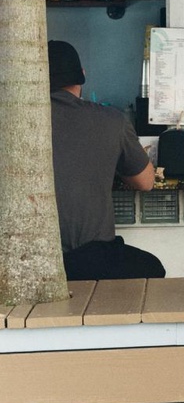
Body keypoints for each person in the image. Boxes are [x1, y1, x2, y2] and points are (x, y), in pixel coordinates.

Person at [48, 39, 166, 281]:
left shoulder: (12, 124)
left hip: (31, 259)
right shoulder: (112, 120)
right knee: (153, 269)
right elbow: (146, 182)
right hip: (91, 258)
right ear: (82, 75)